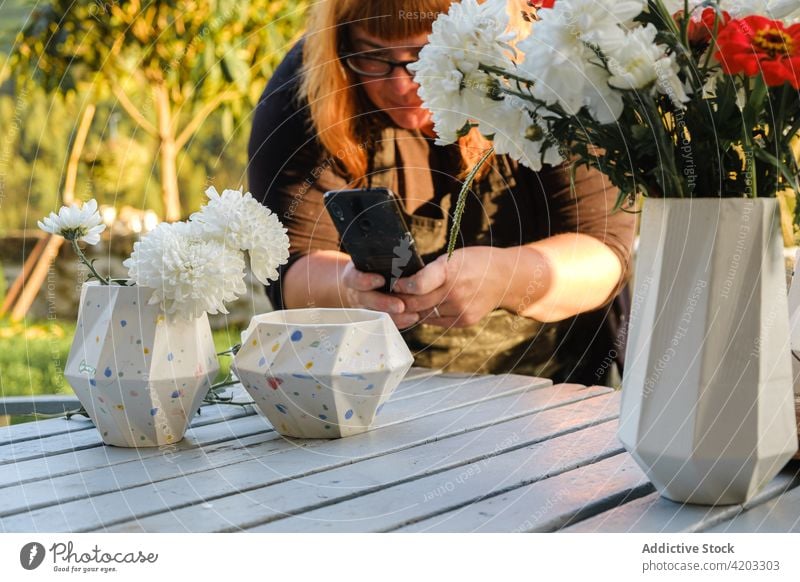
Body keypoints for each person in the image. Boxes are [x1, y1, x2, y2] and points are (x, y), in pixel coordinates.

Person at [248, 0, 636, 385]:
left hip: (558, 390)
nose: (402, 85)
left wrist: (504, 277)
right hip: (380, 395)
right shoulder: (308, 87)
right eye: (373, 55)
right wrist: (347, 288)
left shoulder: (550, 72)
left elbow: (604, 256)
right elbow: (287, 267)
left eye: (424, 53)